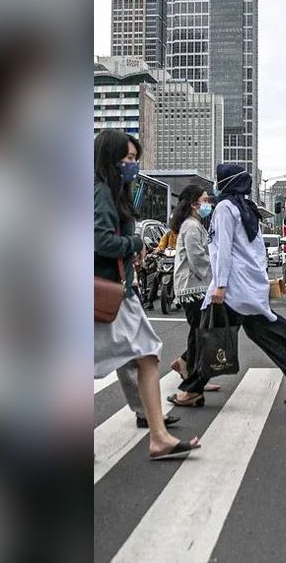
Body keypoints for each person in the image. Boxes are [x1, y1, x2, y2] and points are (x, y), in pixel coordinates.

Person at [93, 129, 199, 459]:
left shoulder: (110, 192)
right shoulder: (101, 194)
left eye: (135, 159)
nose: (133, 165)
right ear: (110, 160)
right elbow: (100, 241)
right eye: (128, 159)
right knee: (146, 356)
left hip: (114, 291)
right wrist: (135, 244)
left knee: (148, 356)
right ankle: (157, 435)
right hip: (107, 291)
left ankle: (158, 435)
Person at [176, 163, 286, 407]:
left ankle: (193, 390)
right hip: (248, 286)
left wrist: (219, 286)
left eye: (219, 181)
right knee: (261, 330)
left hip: (231, 287)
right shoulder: (248, 208)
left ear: (226, 183)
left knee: (212, 336)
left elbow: (223, 250)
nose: (216, 186)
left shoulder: (225, 209)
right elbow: (253, 251)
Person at [166, 185, 221, 402]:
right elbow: (196, 257)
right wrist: (218, 268)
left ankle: (189, 368)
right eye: (205, 200)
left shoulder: (195, 225)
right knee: (202, 332)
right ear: (194, 204)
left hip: (195, 286)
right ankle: (192, 374)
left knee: (198, 331)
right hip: (193, 287)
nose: (208, 204)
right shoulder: (191, 226)